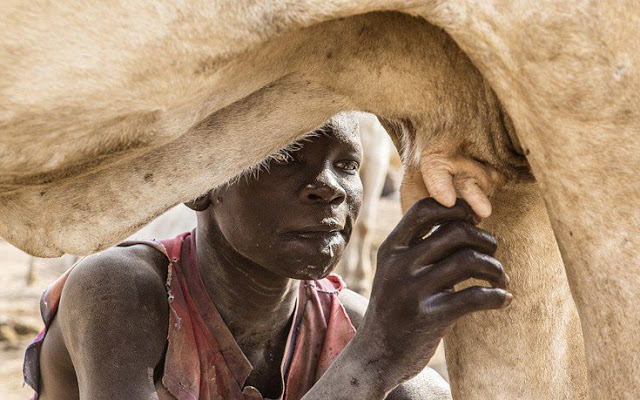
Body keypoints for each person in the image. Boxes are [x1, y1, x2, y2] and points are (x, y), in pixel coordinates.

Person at [23, 113, 512, 399]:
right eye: (283, 158)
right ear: (200, 184)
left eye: (346, 165)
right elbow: (374, 358)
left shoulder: (352, 323)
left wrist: (390, 361)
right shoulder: (121, 291)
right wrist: (376, 359)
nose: (329, 189)